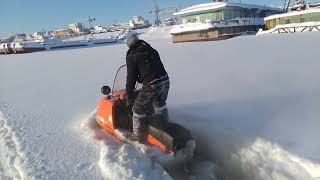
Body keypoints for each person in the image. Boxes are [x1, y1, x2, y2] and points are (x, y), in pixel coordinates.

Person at [126, 33, 170, 142]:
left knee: (137, 109)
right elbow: (153, 68)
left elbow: (131, 78)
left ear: (130, 45)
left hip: (152, 84)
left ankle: (138, 136)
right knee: (159, 103)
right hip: (165, 80)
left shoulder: (132, 56)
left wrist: (128, 95)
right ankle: (164, 125)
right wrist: (142, 79)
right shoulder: (151, 50)